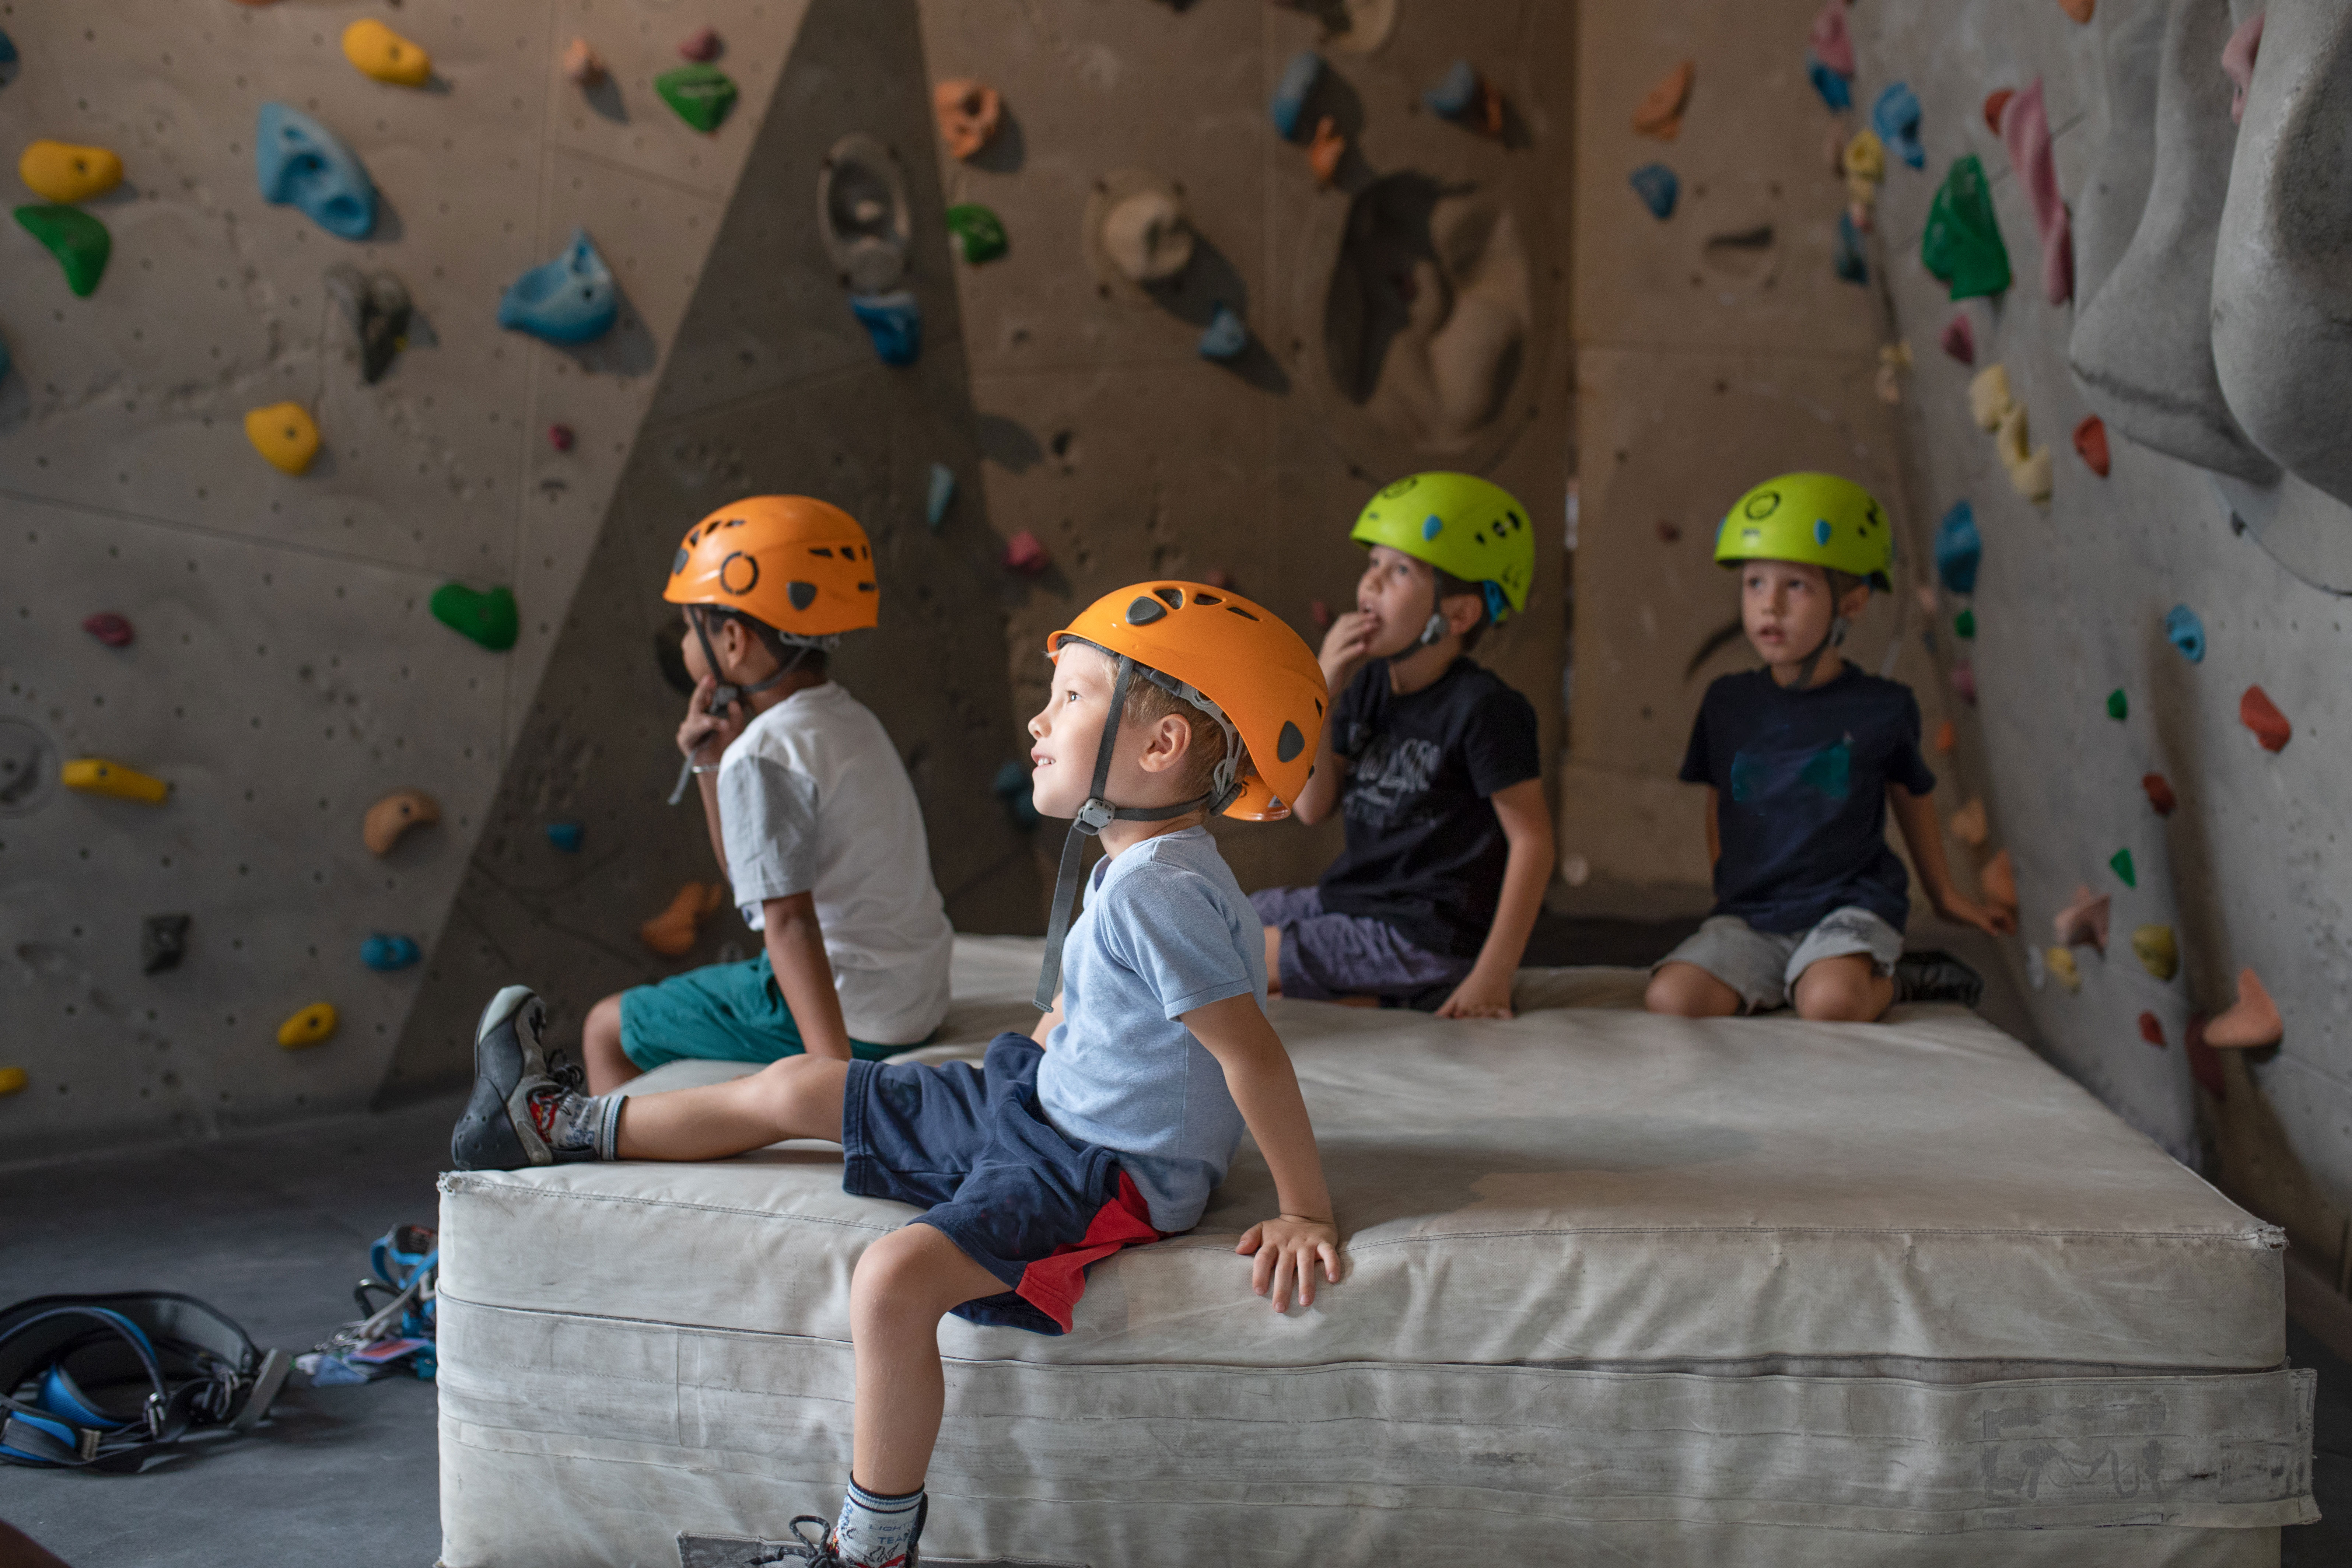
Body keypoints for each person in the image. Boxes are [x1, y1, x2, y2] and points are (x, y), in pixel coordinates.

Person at [450, 580, 1344, 1568]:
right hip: (1048, 1105)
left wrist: (1306, 1209)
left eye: (1076, 696)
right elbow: (1125, 1011)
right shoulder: (1142, 863)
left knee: (891, 1283)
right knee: (805, 1087)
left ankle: (871, 1548)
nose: (1042, 719)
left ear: (1162, 746)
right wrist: (1059, 1034)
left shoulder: (1159, 889)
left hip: (1103, 1170)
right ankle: (554, 1123)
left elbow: (1249, 1052)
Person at [580, 495, 953, 1096]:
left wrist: (838, 1085)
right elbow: (758, 876)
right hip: (916, 996)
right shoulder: (846, 717)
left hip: (857, 1014)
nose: (682, 642)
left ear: (732, 640)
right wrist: (710, 765)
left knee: (604, 1028)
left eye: (688, 625)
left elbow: (787, 923)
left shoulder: (764, 753)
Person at [1645, 472, 2015, 1023]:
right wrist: (1729, 889)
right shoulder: (1727, 702)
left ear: (1854, 603)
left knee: (1829, 1003)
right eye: (1754, 584)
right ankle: (1787, 975)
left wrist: (1944, 895)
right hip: (1755, 914)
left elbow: (1911, 797)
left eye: (1796, 587)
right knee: (1671, 1000)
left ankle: (1898, 981)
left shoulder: (1883, 707)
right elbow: (1720, 800)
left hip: (1848, 905)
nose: (1769, 606)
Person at [1250, 472, 1554, 1017]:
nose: (1372, 584)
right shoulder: (1368, 685)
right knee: (1216, 919)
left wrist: (1493, 975)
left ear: (1457, 615)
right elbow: (1311, 806)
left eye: (1401, 571)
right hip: (1352, 902)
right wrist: (1322, 692)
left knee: (1227, 951)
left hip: (1426, 934)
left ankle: (1403, 987)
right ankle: (1376, 996)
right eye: (1373, 566)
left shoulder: (1486, 709)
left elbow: (1533, 842)